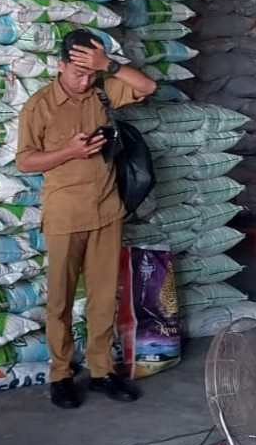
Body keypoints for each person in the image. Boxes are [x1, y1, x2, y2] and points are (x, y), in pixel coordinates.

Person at [15, 28, 156, 410]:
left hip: (107, 211)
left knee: (102, 297)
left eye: (90, 73)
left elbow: (147, 86)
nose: (84, 81)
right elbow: (25, 161)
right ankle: (60, 373)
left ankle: (101, 370)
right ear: (60, 66)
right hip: (65, 214)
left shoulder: (103, 90)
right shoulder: (39, 106)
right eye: (77, 72)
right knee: (59, 300)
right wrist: (68, 152)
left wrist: (107, 66)